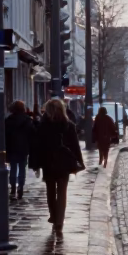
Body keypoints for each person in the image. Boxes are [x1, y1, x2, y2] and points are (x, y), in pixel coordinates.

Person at [35, 99, 85, 236]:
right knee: (62, 192)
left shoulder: (43, 125)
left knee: (50, 190)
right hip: (64, 163)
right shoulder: (68, 125)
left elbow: (37, 146)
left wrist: (36, 164)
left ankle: (53, 215)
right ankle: (59, 221)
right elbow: (75, 146)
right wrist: (79, 162)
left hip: (48, 162)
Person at [5, 100, 35, 200]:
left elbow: (5, 134)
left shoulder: (9, 120)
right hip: (23, 148)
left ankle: (13, 187)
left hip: (12, 147)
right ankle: (20, 187)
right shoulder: (27, 120)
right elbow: (31, 134)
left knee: (13, 168)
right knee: (22, 168)